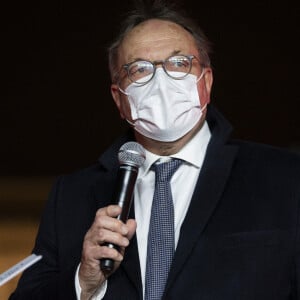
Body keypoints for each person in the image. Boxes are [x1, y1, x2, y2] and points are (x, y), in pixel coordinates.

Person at [9, 1, 300, 299]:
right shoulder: (72, 197)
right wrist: (83, 282)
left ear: (207, 82)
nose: (160, 81)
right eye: (139, 69)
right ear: (118, 98)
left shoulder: (286, 179)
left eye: (178, 64)